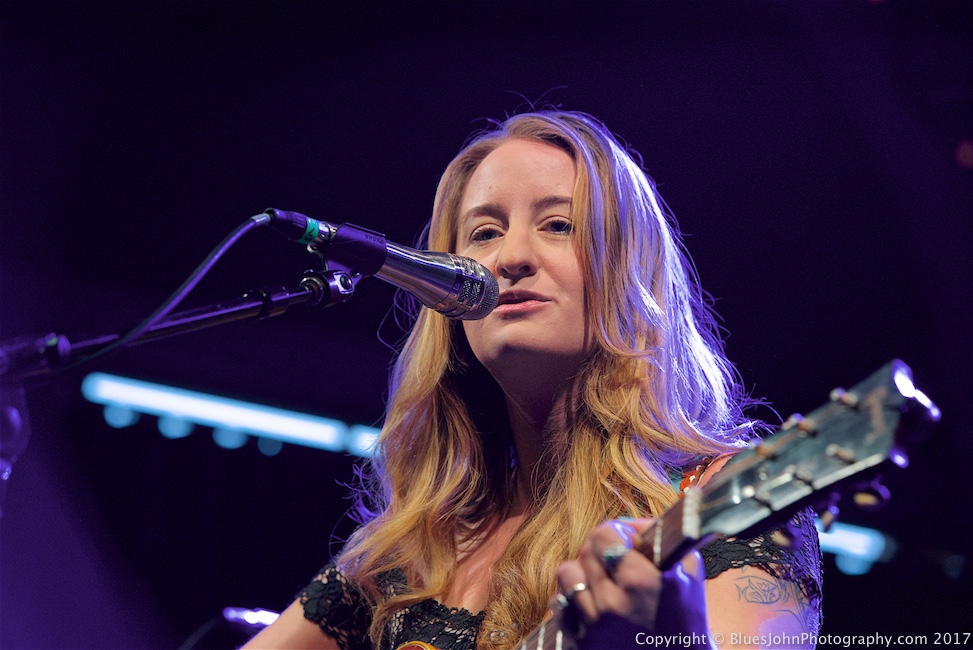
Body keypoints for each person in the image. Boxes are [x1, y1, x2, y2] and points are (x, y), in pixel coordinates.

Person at [244, 111, 822, 650]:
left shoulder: (722, 497)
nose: (511, 256)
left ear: (627, 273)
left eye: (558, 224)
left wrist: (677, 633)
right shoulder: (407, 551)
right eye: (485, 233)